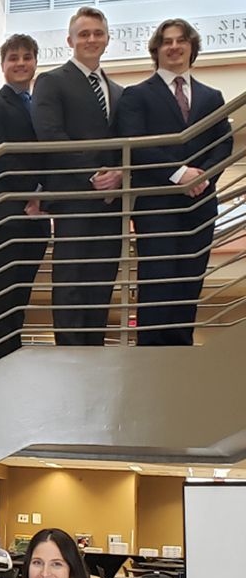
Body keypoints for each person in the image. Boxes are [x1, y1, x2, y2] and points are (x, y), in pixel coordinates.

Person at [117, 19, 233, 346]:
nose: (174, 46)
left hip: (200, 206)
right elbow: (134, 143)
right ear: (157, 50)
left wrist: (204, 177)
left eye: (181, 40)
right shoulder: (136, 95)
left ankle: (180, 363)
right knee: (158, 285)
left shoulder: (213, 97)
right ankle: (151, 364)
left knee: (188, 285)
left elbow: (223, 144)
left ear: (191, 47)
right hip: (157, 208)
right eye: (167, 41)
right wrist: (181, 174)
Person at [32, 7, 124, 347]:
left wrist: (119, 174)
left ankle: (94, 352)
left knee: (101, 282)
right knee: (71, 282)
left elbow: (124, 143)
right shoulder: (52, 81)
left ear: (107, 39)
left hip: (111, 202)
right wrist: (92, 173)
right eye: (84, 34)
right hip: (74, 200)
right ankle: (71, 357)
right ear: (70, 40)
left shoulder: (118, 91)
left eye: (98, 33)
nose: (91, 39)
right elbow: (50, 133)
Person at [0, 34, 52, 366]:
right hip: (6, 213)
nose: (21, 63)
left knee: (21, 295)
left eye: (27, 57)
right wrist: (33, 190)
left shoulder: (43, 106)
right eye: (13, 58)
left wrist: (45, 195)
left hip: (36, 216)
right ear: (3, 65)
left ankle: (11, 359)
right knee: (1, 290)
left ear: (35, 62)